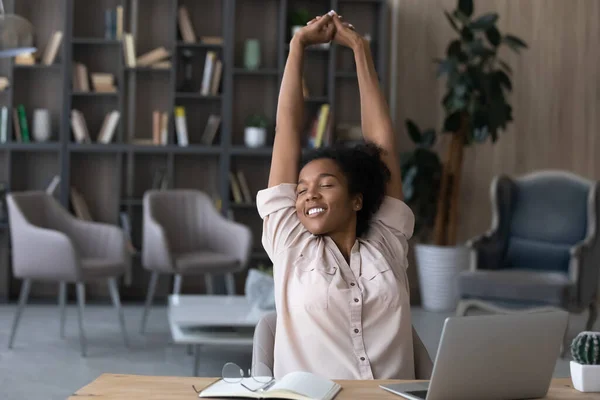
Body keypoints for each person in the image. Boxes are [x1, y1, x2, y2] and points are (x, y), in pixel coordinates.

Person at [256, 10, 415, 380]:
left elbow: (382, 146)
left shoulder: (387, 240)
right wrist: (298, 46)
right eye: (301, 190)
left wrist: (359, 49)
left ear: (357, 199)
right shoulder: (288, 240)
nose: (309, 195)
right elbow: (287, 130)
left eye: (325, 185)